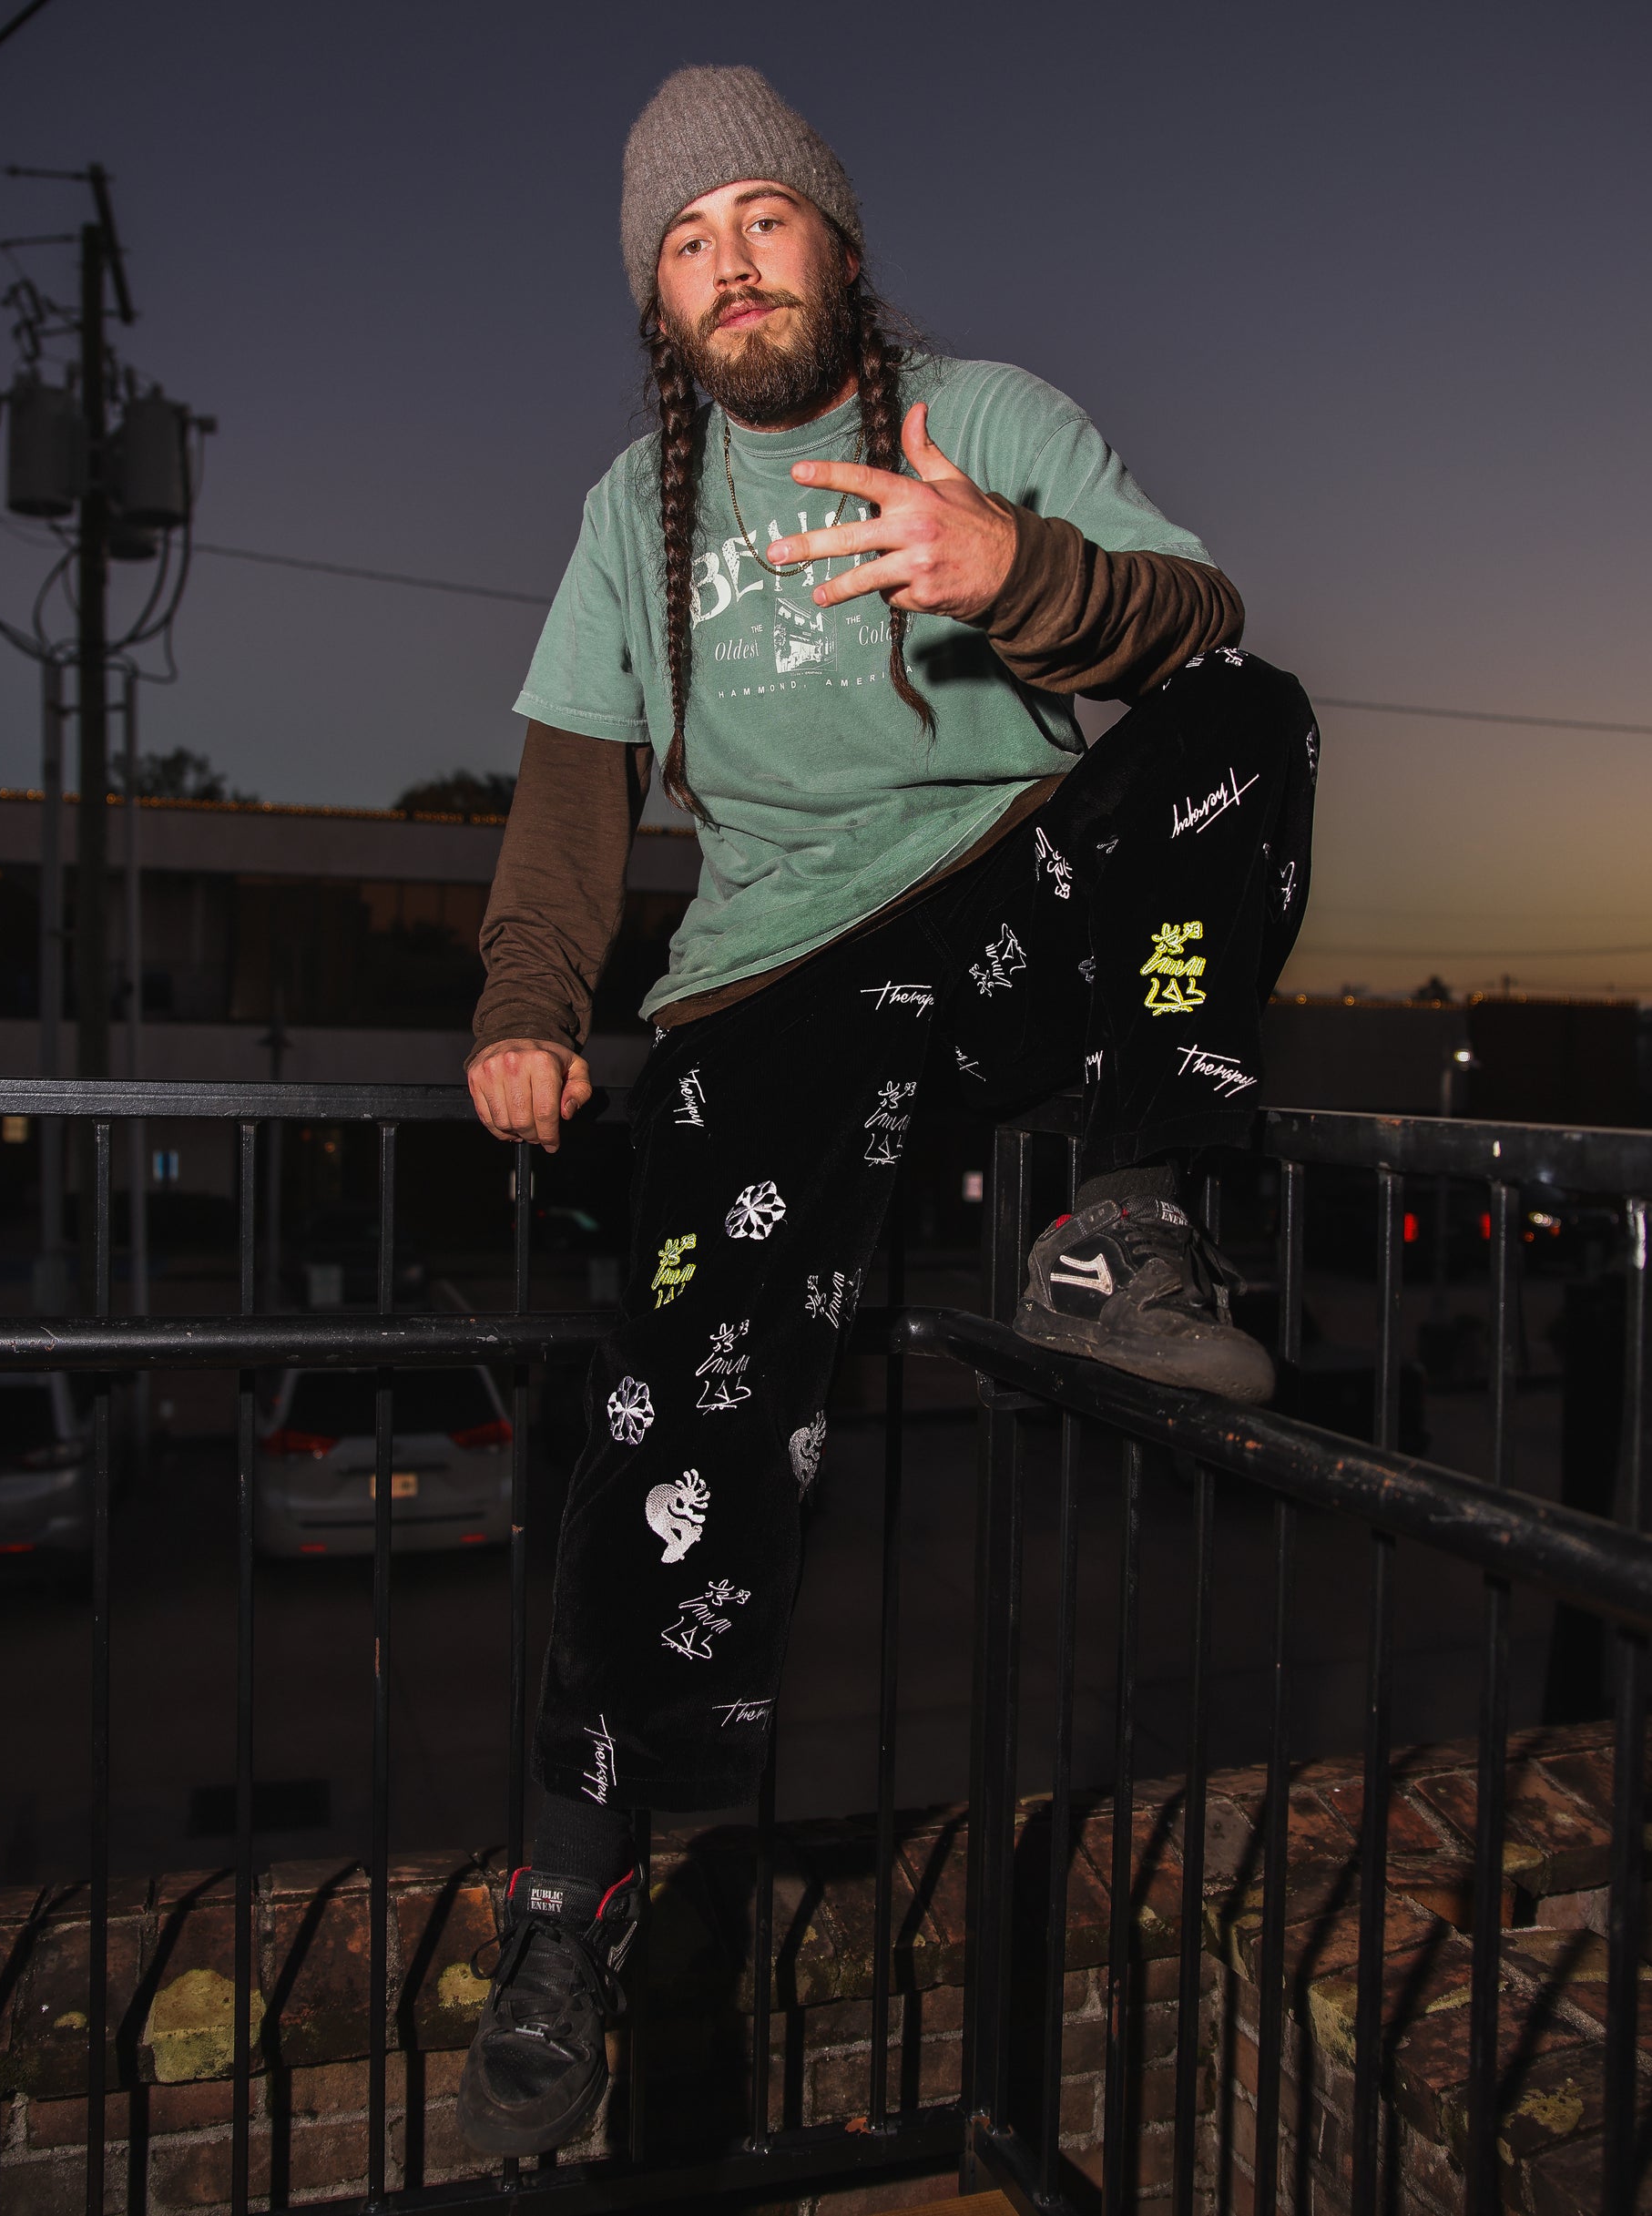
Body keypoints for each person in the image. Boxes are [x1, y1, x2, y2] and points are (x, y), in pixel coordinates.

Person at [456, 64, 1318, 2157]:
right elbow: (569, 802)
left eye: (762, 218)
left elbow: (1194, 620)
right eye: (687, 243)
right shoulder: (630, 517)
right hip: (772, 984)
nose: (731, 264)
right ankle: (570, 1893)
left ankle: (1123, 1213)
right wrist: (527, 1008)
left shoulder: (983, 413)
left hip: (1004, 908)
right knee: (675, 1408)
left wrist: (1007, 565)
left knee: (1246, 721)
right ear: (660, 306)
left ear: (835, 246)